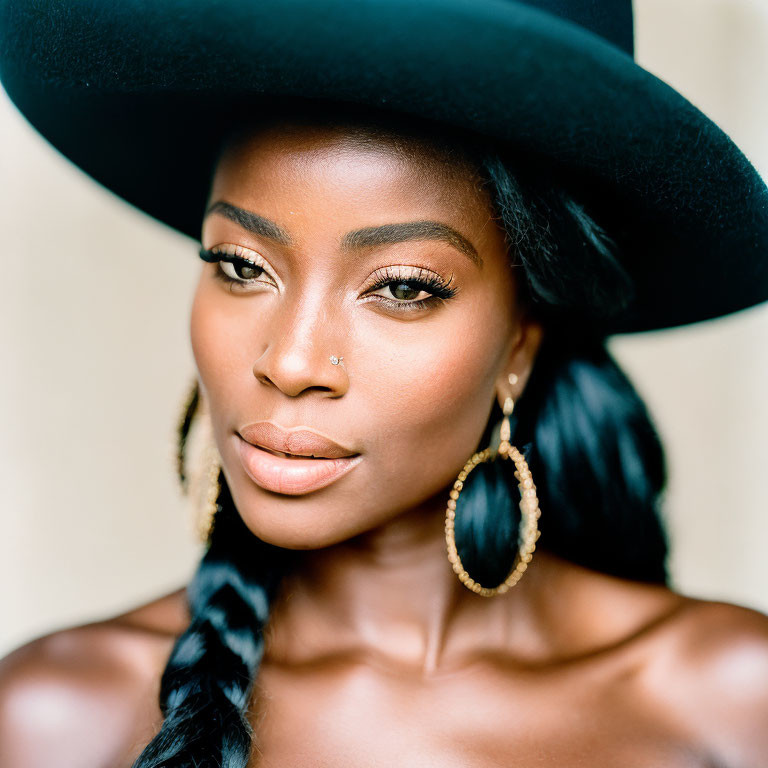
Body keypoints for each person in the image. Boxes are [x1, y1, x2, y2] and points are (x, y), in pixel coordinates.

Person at [1, 1, 767, 767]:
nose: (290, 361)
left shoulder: (727, 699)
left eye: (402, 288)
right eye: (240, 266)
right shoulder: (57, 718)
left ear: (520, 344)